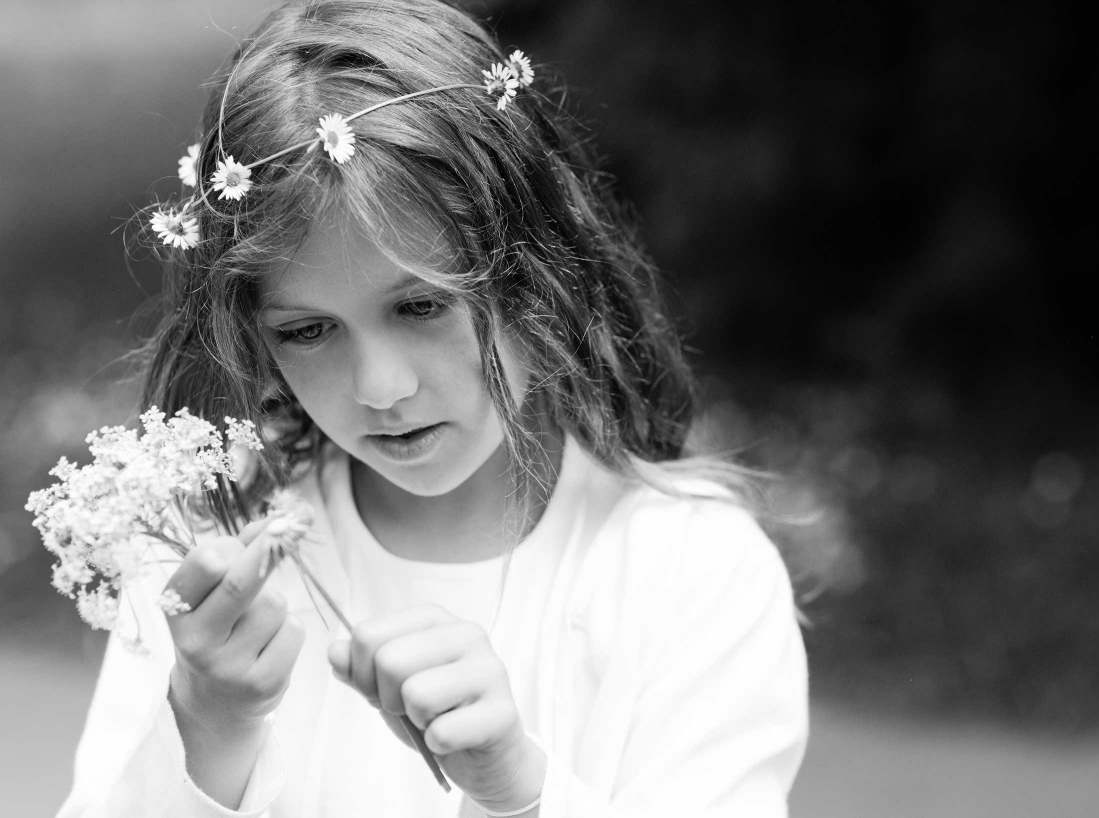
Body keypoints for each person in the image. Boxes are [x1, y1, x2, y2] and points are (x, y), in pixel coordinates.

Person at [57, 1, 808, 815]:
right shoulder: (212, 546)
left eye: (422, 307)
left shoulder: (687, 572)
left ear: (536, 271)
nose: (382, 388)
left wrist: (516, 784)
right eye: (309, 331)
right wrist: (208, 730)